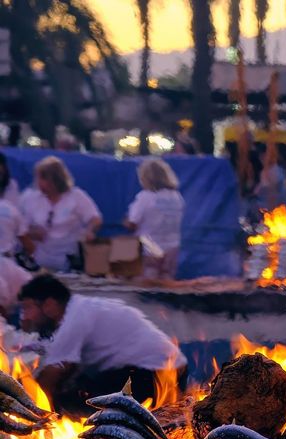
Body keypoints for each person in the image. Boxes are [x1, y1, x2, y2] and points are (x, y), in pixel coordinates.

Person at [18, 274, 186, 416]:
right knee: (77, 387)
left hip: (153, 375)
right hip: (158, 368)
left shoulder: (74, 319)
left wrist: (26, 409)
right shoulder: (81, 307)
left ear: (49, 305)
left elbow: (50, 378)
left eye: (27, 308)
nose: (24, 316)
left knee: (68, 401)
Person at [18, 156, 102, 272]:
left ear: (56, 180)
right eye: (38, 178)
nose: (39, 183)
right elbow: (19, 226)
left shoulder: (77, 196)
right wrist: (32, 233)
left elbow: (95, 219)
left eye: (43, 179)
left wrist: (90, 231)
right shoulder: (29, 198)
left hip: (68, 260)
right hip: (39, 261)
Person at [126, 158, 185, 280]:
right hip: (173, 246)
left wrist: (124, 221)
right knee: (167, 281)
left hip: (150, 246)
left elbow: (132, 223)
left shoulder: (145, 197)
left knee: (148, 284)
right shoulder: (177, 197)